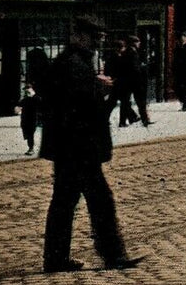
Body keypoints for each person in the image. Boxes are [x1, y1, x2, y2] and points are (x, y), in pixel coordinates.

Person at [38, 14, 139, 272]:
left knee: (65, 202)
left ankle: (56, 259)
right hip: (78, 148)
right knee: (99, 201)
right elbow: (76, 104)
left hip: (71, 148)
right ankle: (112, 256)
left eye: (100, 38)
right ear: (78, 36)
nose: (97, 43)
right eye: (94, 37)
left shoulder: (74, 61)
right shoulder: (72, 63)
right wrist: (99, 89)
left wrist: (97, 87)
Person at [106, 37, 139, 128]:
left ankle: (131, 117)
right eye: (123, 47)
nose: (124, 49)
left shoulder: (119, 56)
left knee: (118, 102)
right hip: (120, 82)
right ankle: (125, 121)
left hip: (120, 82)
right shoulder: (116, 56)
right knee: (121, 102)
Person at [127, 34, 151, 127]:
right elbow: (134, 68)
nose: (139, 43)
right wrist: (142, 67)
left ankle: (142, 119)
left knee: (138, 101)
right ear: (133, 43)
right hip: (136, 81)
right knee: (141, 101)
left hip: (133, 80)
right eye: (137, 42)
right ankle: (144, 119)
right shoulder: (131, 53)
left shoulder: (132, 52)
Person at [17, 82, 42, 156]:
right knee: (27, 134)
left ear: (32, 89)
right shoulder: (25, 99)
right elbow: (18, 106)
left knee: (30, 134)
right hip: (25, 119)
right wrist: (18, 109)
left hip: (33, 119)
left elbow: (42, 108)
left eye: (28, 89)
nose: (27, 91)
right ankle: (31, 148)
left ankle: (31, 148)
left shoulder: (37, 98)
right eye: (26, 89)